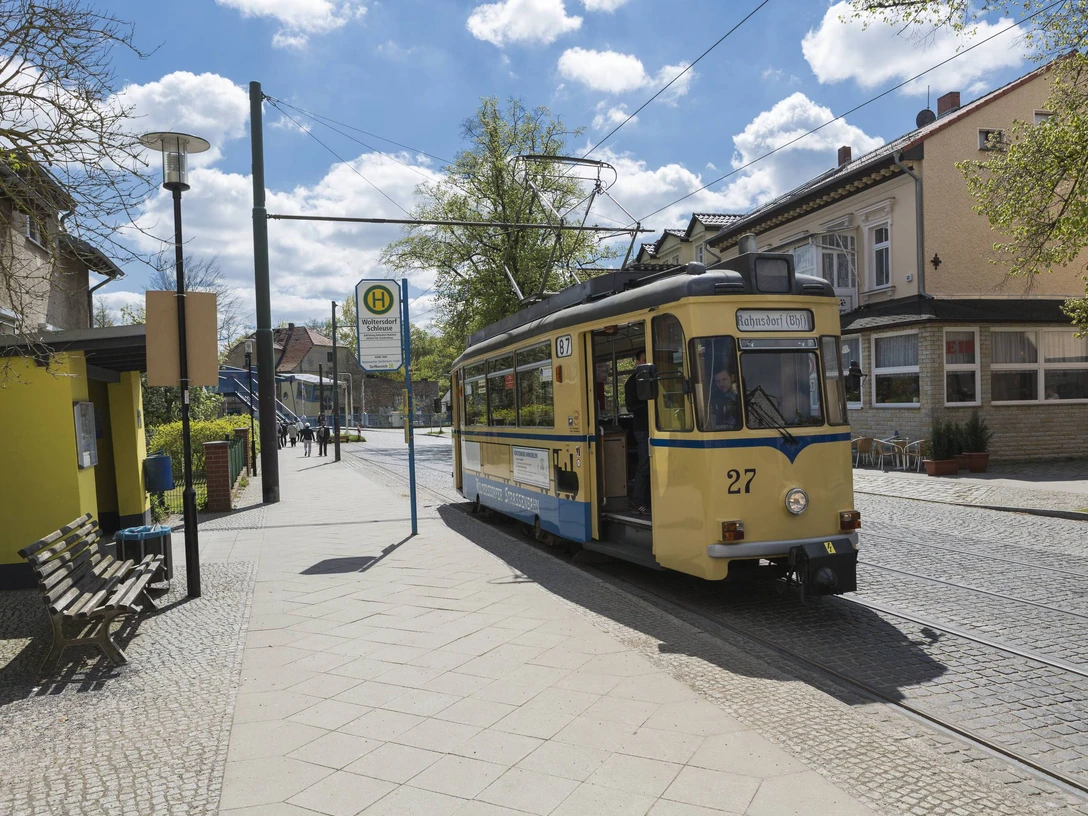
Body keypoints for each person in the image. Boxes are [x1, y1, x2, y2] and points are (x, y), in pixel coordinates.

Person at [624, 350, 651, 515]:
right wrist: (649, 407)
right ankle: (637, 502)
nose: (647, 363)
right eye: (644, 360)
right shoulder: (632, 382)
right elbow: (631, 406)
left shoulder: (653, 378)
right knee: (644, 465)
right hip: (642, 428)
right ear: (637, 362)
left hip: (655, 427)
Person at [708, 365, 740, 430]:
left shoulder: (741, 394)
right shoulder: (713, 398)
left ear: (732, 378)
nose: (721, 384)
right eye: (718, 381)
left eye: (724, 379)